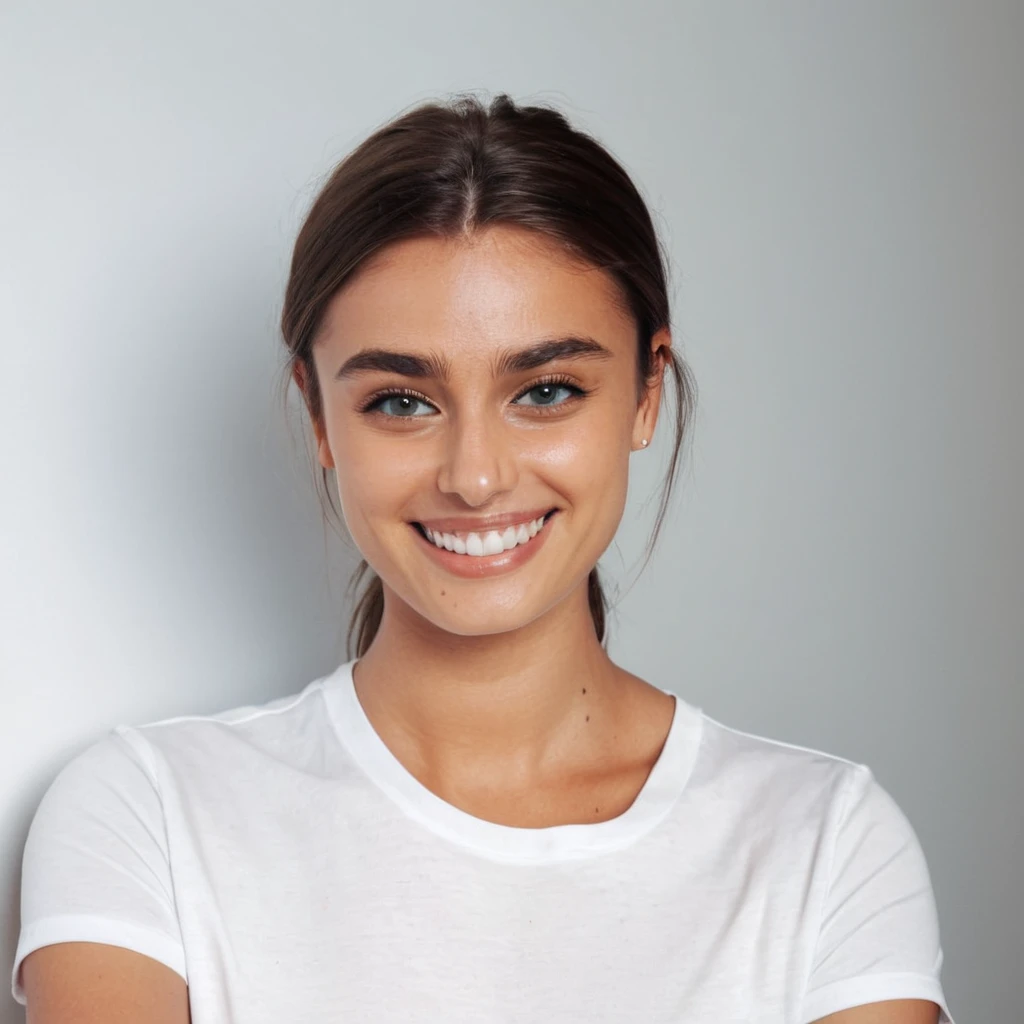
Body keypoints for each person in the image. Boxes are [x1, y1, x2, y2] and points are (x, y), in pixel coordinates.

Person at [12, 93, 954, 1023]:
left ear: (644, 393)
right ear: (318, 416)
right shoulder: (148, 818)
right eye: (401, 401)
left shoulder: (825, 846)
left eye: (545, 390)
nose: (474, 477)